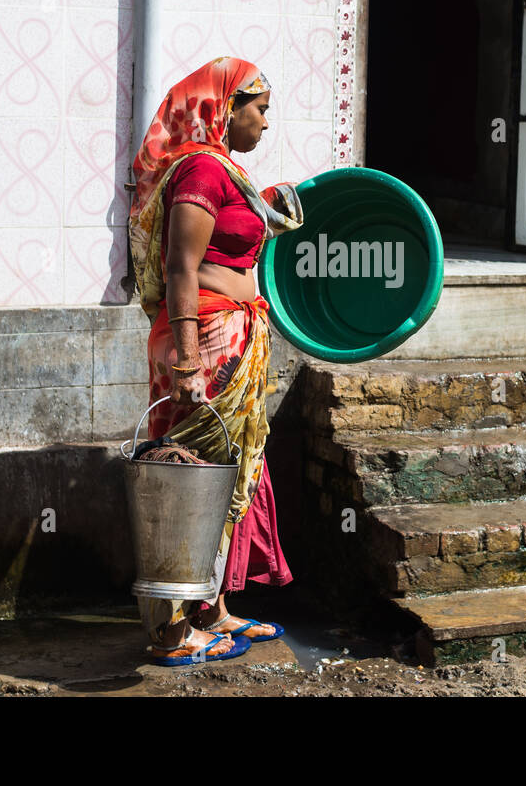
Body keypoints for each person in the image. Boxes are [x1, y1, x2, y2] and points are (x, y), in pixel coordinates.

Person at [127, 56, 304, 664]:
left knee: (230, 468)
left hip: (231, 332)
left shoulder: (227, 173)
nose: (265, 123)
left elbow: (237, 248)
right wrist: (185, 363)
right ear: (224, 110)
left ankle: (214, 609)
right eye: (259, 110)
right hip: (201, 336)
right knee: (188, 475)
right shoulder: (201, 170)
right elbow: (182, 266)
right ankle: (170, 632)